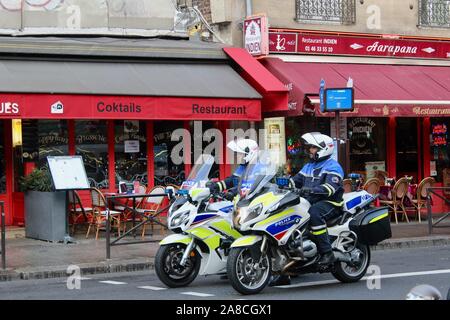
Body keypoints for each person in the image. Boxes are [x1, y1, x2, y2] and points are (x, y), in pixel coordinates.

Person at [271, 132, 344, 286]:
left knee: (315, 213)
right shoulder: (308, 166)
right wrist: (281, 183)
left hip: (330, 203)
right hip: (309, 201)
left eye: (313, 147)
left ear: (323, 149)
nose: (310, 150)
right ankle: (284, 269)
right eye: (310, 147)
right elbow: (295, 181)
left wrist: (310, 190)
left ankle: (327, 253)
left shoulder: (333, 166)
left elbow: (330, 188)